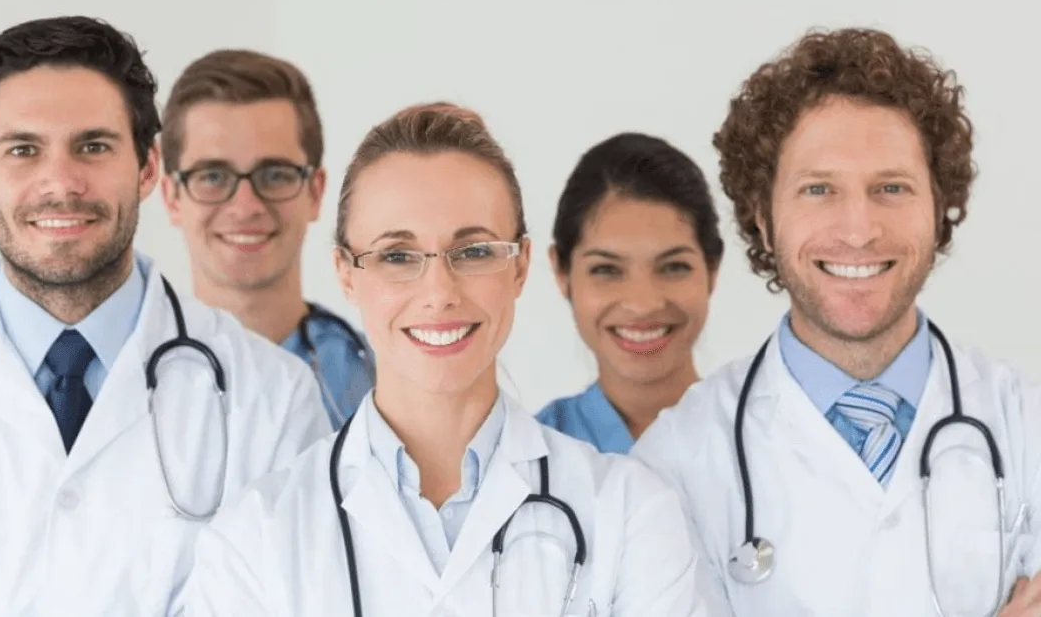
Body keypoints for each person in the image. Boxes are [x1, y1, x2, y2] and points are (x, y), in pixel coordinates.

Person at [182, 102, 723, 615]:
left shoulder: (630, 513)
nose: (439, 291)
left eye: (474, 251)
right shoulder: (253, 537)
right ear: (347, 273)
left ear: (520, 266)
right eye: (397, 255)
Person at [0, 17, 331, 615]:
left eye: (93, 146)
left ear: (146, 169)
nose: (61, 183)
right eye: (23, 149)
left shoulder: (272, 401)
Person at [630, 27, 1041, 616]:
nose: (859, 229)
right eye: (819, 190)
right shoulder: (674, 465)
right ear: (763, 217)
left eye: (892, 187)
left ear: (939, 209)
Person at [159, 49, 374, 430]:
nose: (246, 207)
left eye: (274, 175)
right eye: (213, 176)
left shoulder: (384, 384)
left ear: (315, 192)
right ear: (171, 197)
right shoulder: (122, 380)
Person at [536, 132, 724, 453]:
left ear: (712, 269)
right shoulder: (530, 458)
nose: (643, 304)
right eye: (606, 270)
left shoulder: (768, 438)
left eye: (673, 266)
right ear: (561, 272)